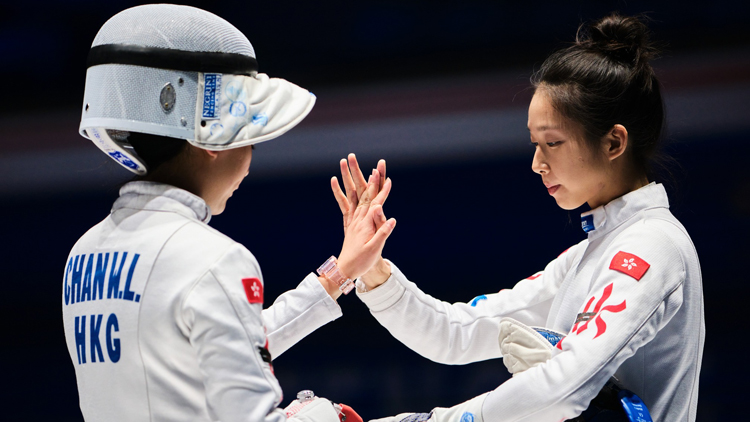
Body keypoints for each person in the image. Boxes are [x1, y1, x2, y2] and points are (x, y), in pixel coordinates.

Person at [332, 13, 704, 422]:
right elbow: (456, 333)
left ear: (614, 141)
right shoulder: (591, 256)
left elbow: (565, 388)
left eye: (553, 143)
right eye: (534, 143)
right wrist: (374, 271)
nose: (536, 163)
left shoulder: (650, 246)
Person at [61, 4, 395, 422]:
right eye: (249, 140)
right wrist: (320, 414)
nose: (250, 161)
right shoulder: (214, 258)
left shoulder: (84, 253)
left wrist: (341, 272)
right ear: (212, 140)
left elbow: (210, 349)